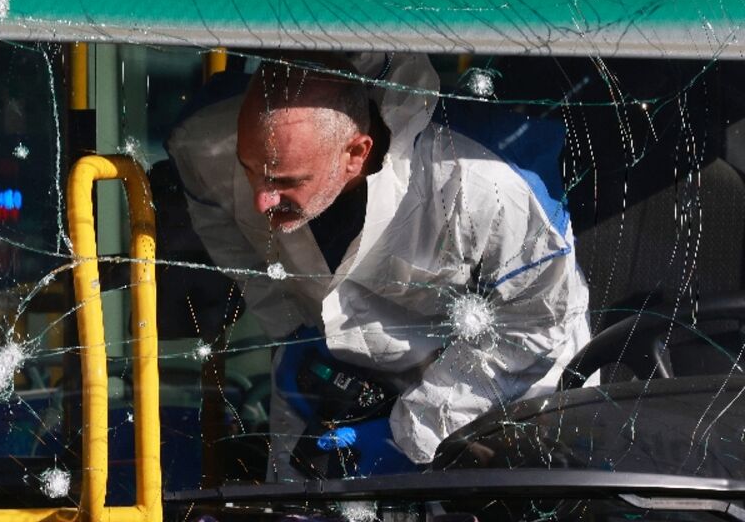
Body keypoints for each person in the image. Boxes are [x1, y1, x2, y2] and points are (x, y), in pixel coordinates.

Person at [165, 52, 590, 479]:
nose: (261, 199)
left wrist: (412, 432)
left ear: (356, 152)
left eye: (284, 181)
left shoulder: (483, 181)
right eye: (249, 169)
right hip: (332, 375)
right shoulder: (205, 143)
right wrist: (292, 331)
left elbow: (535, 323)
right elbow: (222, 226)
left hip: (495, 390)